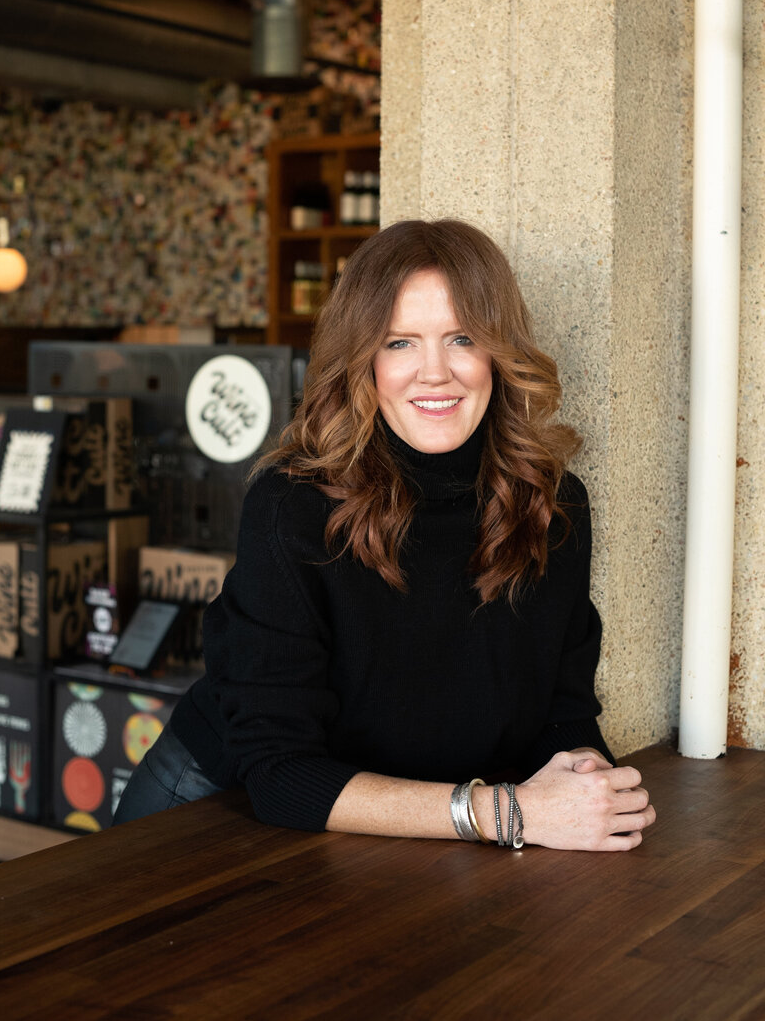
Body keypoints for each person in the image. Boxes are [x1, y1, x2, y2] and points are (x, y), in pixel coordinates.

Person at [114, 218, 655, 850]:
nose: (434, 373)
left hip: (414, 827)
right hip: (213, 809)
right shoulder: (293, 506)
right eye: (400, 343)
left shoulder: (553, 507)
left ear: (499, 354)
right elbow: (281, 775)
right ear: (363, 359)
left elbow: (561, 712)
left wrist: (587, 782)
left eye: (462, 338)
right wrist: (509, 813)